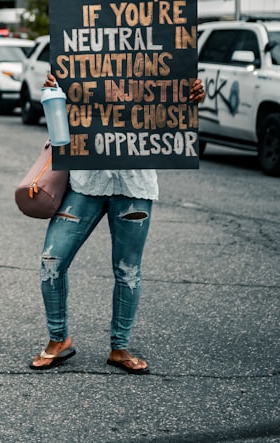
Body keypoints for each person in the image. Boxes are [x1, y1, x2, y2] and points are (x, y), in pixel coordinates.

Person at [30, 72, 205, 375]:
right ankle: (59, 339)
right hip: (85, 181)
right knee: (51, 260)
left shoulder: (157, 58)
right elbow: (61, 116)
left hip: (134, 184)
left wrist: (191, 98)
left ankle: (119, 347)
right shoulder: (85, 52)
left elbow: (173, 114)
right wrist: (55, 91)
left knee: (128, 270)